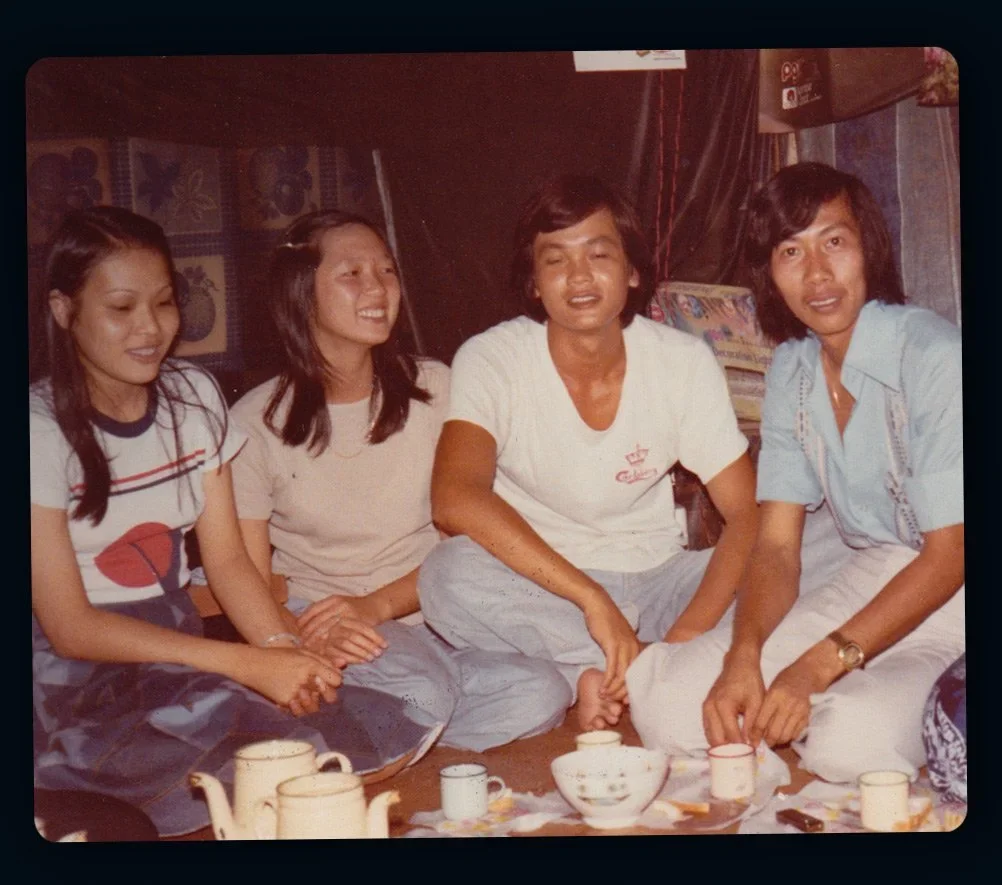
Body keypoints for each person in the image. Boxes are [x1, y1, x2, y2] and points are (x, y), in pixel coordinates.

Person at [30, 206, 441, 837]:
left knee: (354, 727)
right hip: (75, 681)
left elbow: (227, 562)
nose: (149, 328)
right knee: (273, 766)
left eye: (164, 303)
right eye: (121, 308)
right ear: (64, 310)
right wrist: (244, 665)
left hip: (176, 661)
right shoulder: (37, 431)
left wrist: (282, 651)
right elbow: (69, 628)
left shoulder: (191, 398)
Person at [628, 162, 964, 785]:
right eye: (790, 251)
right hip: (875, 575)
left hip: (956, 601)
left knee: (849, 746)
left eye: (834, 242)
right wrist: (744, 654)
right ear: (769, 272)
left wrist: (817, 665)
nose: (816, 274)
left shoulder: (936, 356)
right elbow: (777, 547)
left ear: (869, 247)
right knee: (670, 704)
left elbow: (949, 556)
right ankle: (842, 688)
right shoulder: (794, 367)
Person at [417, 174, 761, 732]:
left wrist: (686, 635)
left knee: (788, 567)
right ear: (533, 282)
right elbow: (454, 498)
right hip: (546, 590)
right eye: (555, 260)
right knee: (447, 574)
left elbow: (746, 512)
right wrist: (591, 599)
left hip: (661, 579)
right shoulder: (493, 358)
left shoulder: (682, 362)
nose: (579, 277)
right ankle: (599, 665)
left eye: (599, 254)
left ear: (632, 271)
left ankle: (635, 666)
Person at [229, 209, 570, 752]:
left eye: (386, 271)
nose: (378, 288)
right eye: (352, 273)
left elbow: (470, 537)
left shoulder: (437, 388)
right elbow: (246, 571)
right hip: (328, 627)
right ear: (301, 293)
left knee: (543, 692)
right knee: (424, 689)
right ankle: (390, 716)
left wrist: (382, 605)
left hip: (432, 613)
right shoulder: (254, 423)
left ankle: (385, 729)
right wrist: (294, 648)